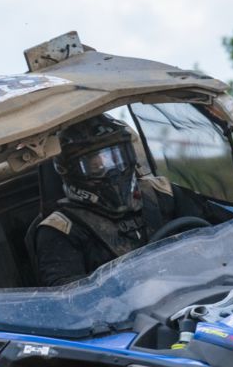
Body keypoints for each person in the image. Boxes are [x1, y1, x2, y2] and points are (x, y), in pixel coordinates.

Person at [32, 115, 181, 287]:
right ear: (71, 171)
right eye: (97, 166)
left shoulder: (162, 192)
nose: (113, 171)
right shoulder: (61, 229)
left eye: (118, 158)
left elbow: (205, 233)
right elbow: (66, 294)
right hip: (125, 303)